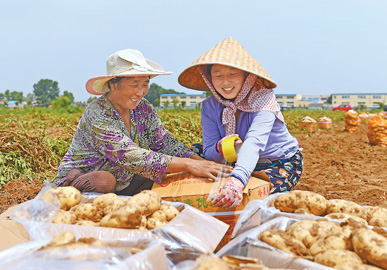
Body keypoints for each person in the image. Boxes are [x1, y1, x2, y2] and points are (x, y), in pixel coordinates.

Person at [54, 49, 231, 195]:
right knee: (105, 181)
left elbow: (164, 142)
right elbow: (130, 155)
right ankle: (67, 189)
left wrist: (199, 161)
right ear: (114, 85)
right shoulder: (97, 114)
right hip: (93, 177)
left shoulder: (142, 108)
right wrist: (189, 164)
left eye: (145, 84)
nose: (140, 92)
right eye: (134, 84)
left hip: (126, 177)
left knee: (171, 175)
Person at [178, 37, 303, 207]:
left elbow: (253, 143)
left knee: (263, 200)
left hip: (274, 162)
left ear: (247, 76)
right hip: (234, 159)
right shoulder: (209, 106)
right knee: (191, 152)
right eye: (218, 75)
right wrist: (219, 148)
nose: (225, 82)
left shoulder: (264, 99)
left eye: (233, 74)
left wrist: (236, 181)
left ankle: (241, 179)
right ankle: (237, 175)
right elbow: (209, 151)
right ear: (209, 78)